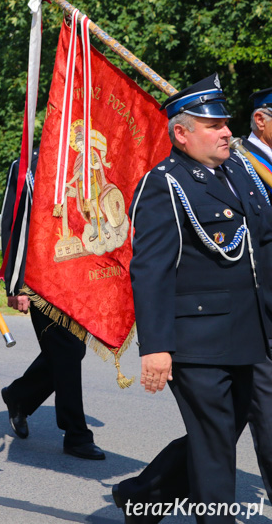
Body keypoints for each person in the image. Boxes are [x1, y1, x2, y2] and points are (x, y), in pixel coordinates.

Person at [114, 75, 271, 523]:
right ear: (181, 133)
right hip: (198, 341)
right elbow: (151, 271)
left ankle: (145, 498)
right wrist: (157, 347)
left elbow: (263, 241)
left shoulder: (239, 170)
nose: (227, 131)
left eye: (225, 123)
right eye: (214, 125)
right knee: (215, 445)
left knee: (220, 435)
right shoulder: (165, 184)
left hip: (251, 332)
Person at [0, 148, 105, 460]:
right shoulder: (27, 164)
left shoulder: (85, 160)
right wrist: (15, 283)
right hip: (40, 276)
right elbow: (12, 223)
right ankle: (76, 434)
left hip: (78, 273)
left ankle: (19, 396)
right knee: (67, 350)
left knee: (70, 350)